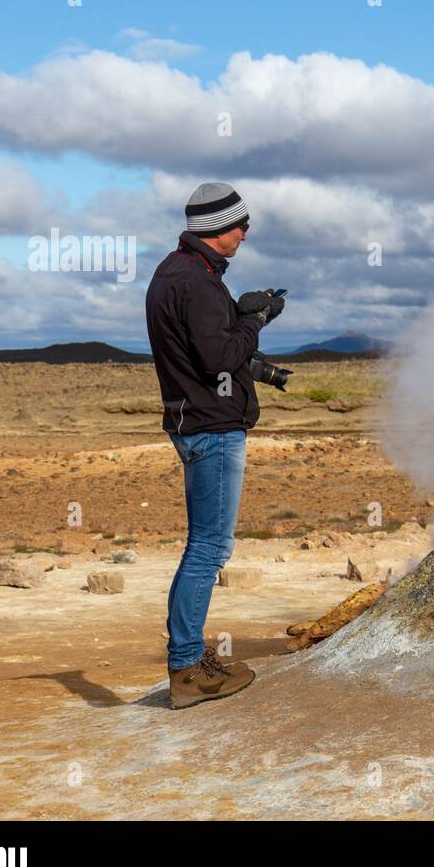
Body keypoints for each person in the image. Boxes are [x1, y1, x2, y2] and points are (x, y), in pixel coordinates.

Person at [144, 182, 285, 709]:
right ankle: (186, 668)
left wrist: (261, 367)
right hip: (212, 429)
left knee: (203, 545)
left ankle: (188, 660)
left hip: (194, 421)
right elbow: (219, 355)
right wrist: (255, 321)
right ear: (214, 227)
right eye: (239, 225)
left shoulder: (173, 272)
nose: (245, 233)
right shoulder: (197, 282)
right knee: (208, 548)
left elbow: (204, 351)